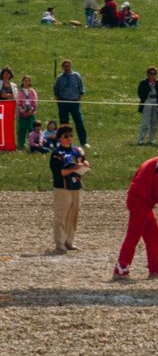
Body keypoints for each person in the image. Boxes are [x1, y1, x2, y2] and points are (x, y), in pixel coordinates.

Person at [112, 145, 158, 280]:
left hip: (140, 201)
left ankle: (155, 270)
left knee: (153, 235)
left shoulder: (155, 160)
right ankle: (121, 269)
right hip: (141, 201)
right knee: (133, 236)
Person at [49, 125, 90, 253]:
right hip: (62, 187)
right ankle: (59, 243)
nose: (69, 138)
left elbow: (82, 165)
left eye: (70, 135)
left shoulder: (77, 150)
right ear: (60, 138)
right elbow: (59, 172)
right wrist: (74, 168)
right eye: (65, 136)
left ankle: (69, 241)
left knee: (73, 214)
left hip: (76, 186)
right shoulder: (56, 154)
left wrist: (85, 166)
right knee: (61, 215)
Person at [53, 59, 89, 147]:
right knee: (64, 124)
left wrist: (79, 99)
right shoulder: (59, 78)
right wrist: (59, 102)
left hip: (74, 102)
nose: (67, 68)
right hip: (63, 103)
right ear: (62, 67)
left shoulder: (76, 76)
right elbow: (56, 90)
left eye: (68, 66)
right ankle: (64, 142)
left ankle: (84, 142)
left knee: (79, 122)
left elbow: (81, 88)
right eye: (65, 66)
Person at [136, 66, 158, 145]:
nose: (153, 75)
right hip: (147, 101)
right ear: (148, 74)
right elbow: (140, 93)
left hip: (156, 102)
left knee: (155, 122)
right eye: (151, 74)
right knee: (145, 122)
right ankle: (141, 139)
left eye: (154, 74)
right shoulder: (143, 83)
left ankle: (151, 139)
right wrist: (149, 87)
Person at [16, 75, 38, 150]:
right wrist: (23, 112)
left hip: (31, 113)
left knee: (31, 129)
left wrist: (30, 111)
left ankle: (32, 144)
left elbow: (35, 103)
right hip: (22, 113)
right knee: (22, 129)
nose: (26, 82)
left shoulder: (32, 91)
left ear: (30, 82)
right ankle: (21, 145)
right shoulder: (20, 91)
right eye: (25, 80)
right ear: (22, 82)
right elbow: (18, 103)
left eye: (28, 80)